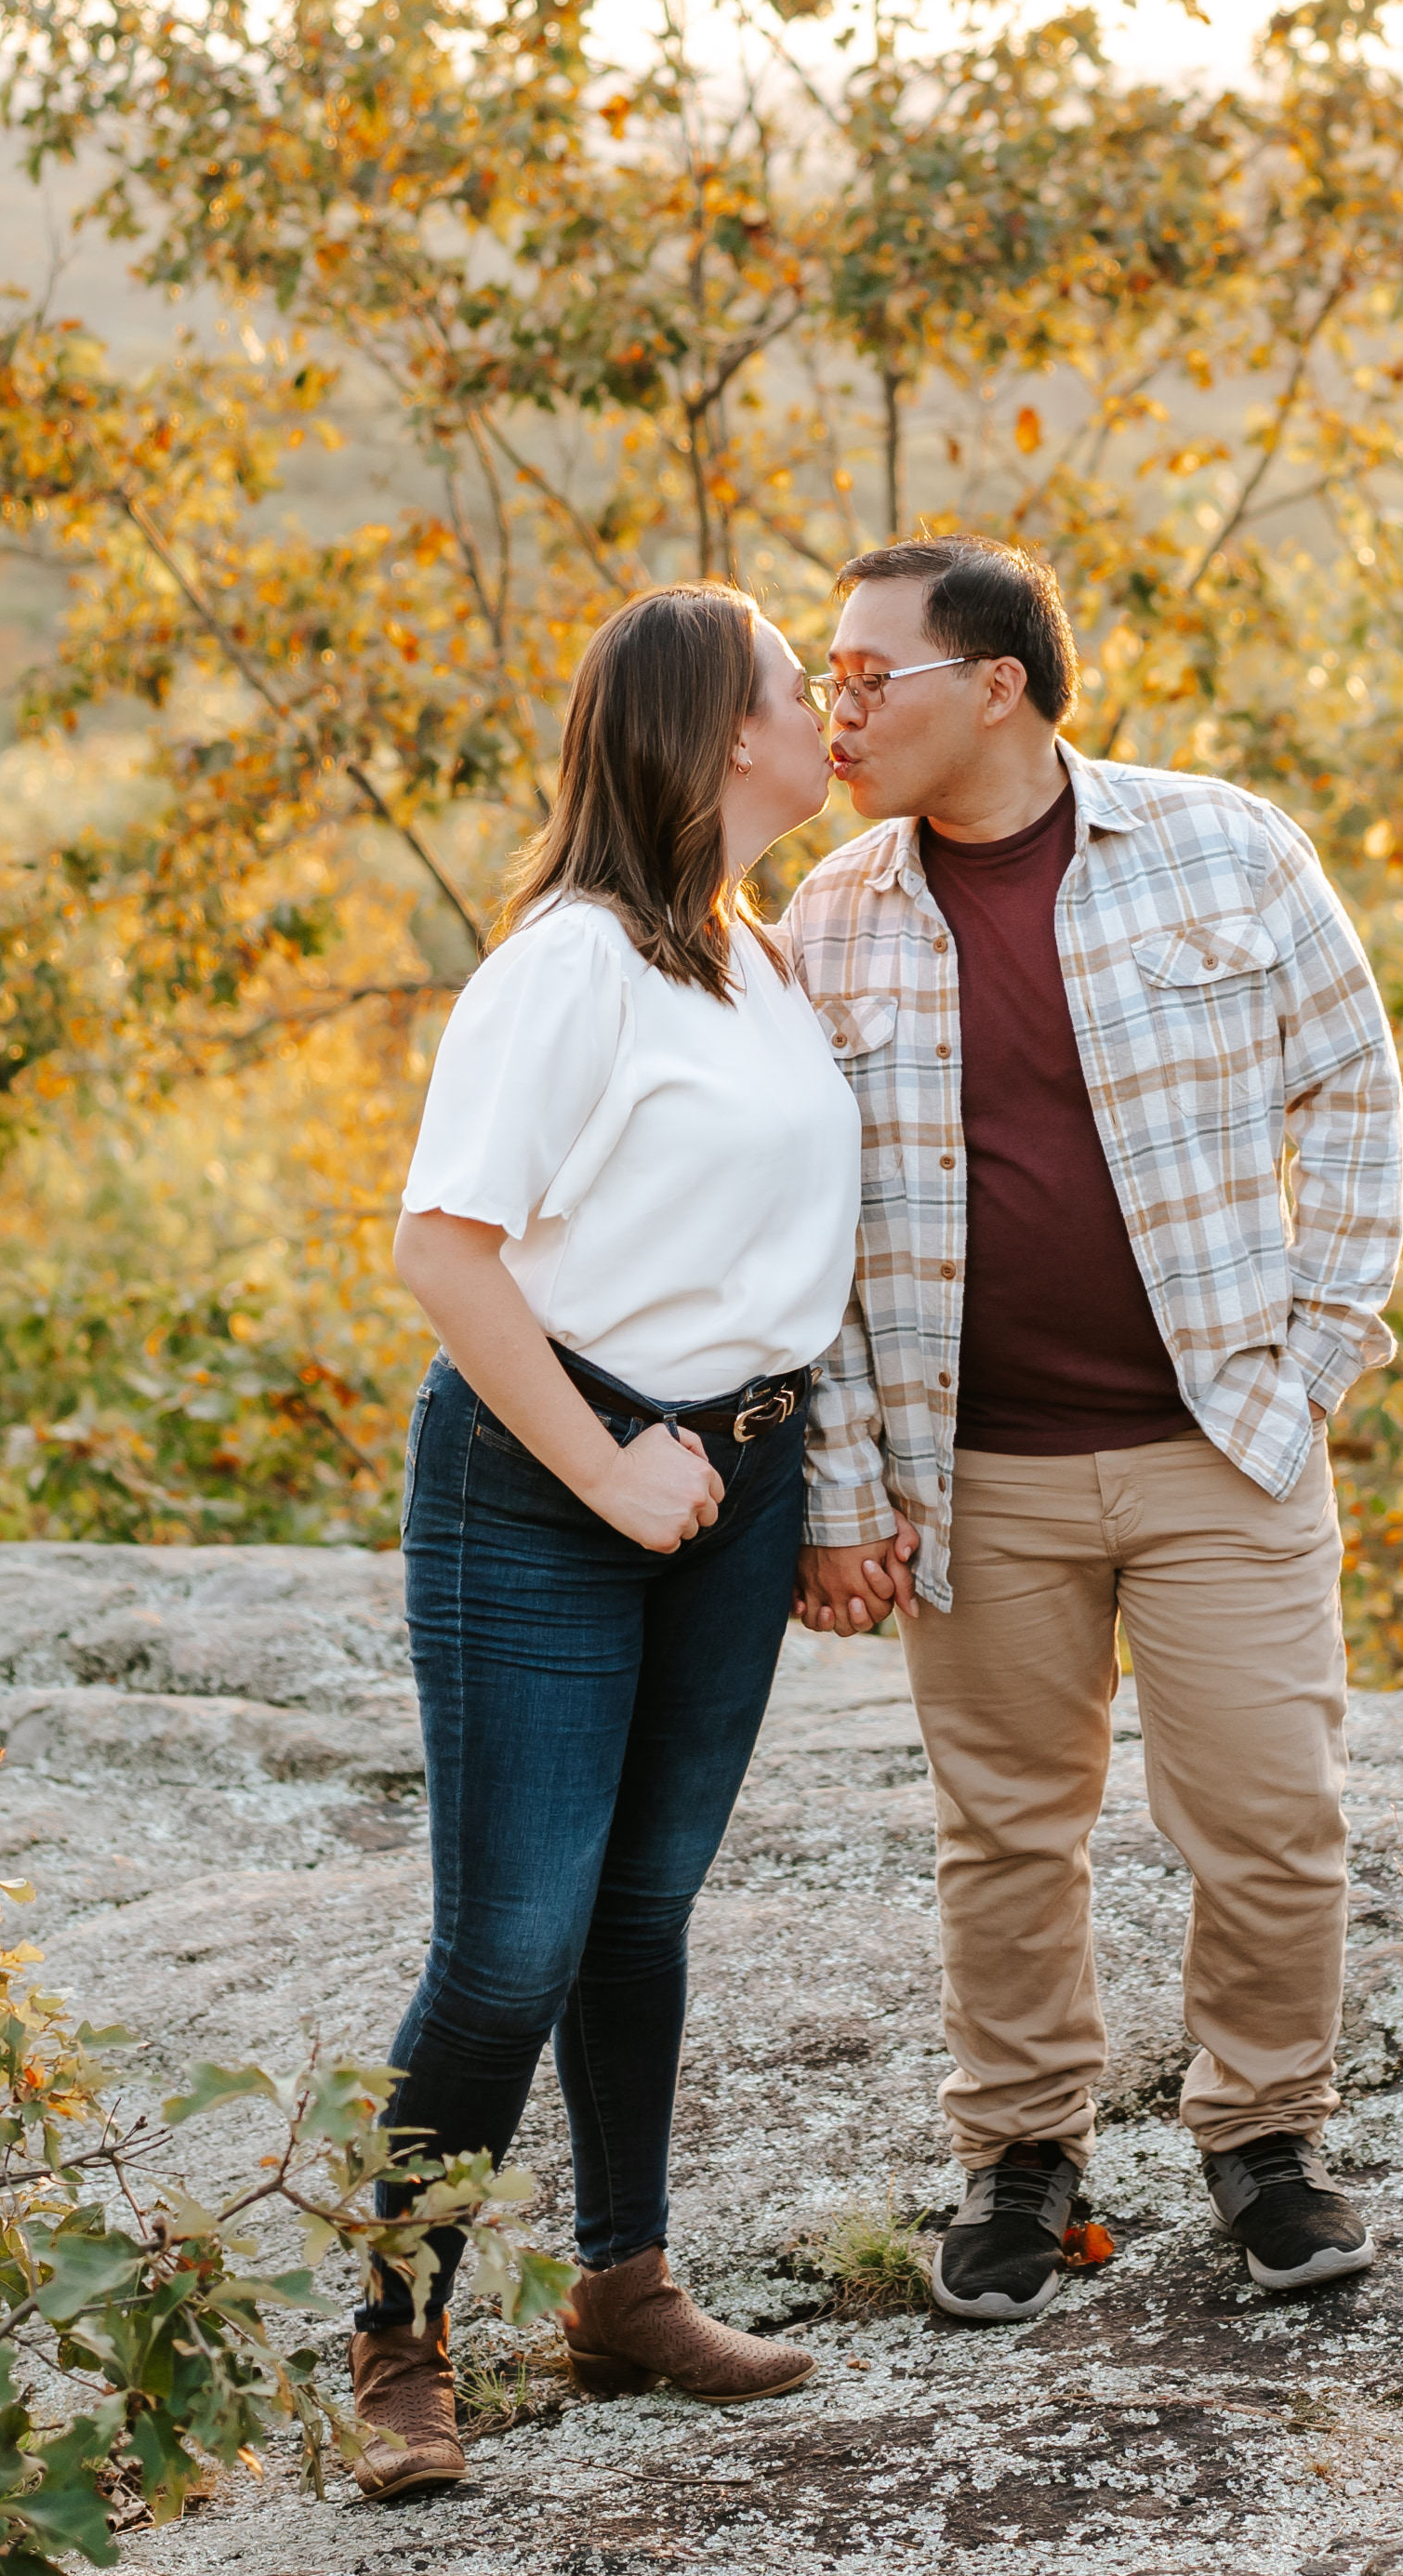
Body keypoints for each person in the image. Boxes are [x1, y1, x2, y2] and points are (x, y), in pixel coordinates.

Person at [780, 535, 1403, 2321]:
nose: (837, 710)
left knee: (1274, 1818)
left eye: (865, 676)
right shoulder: (832, 917)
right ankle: (1022, 2160)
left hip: (1224, 1447)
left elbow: (1356, 1090)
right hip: (975, 1473)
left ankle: (1267, 2142)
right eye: (825, 678)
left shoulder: (1226, 843)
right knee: (1005, 1834)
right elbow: (803, 1236)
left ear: (998, 685)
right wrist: (849, 1483)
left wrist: (1312, 1367)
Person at [345, 583, 862, 2503]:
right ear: (721, 732)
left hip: (735, 1488)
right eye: (805, 689)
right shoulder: (565, 965)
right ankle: (400, 2334)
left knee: (640, 1913)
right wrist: (609, 1461)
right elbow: (441, 1247)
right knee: (509, 1946)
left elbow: (795, 1260)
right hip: (546, 1484)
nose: (829, 710)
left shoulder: (761, 958)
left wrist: (806, 1489)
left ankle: (623, 2283)